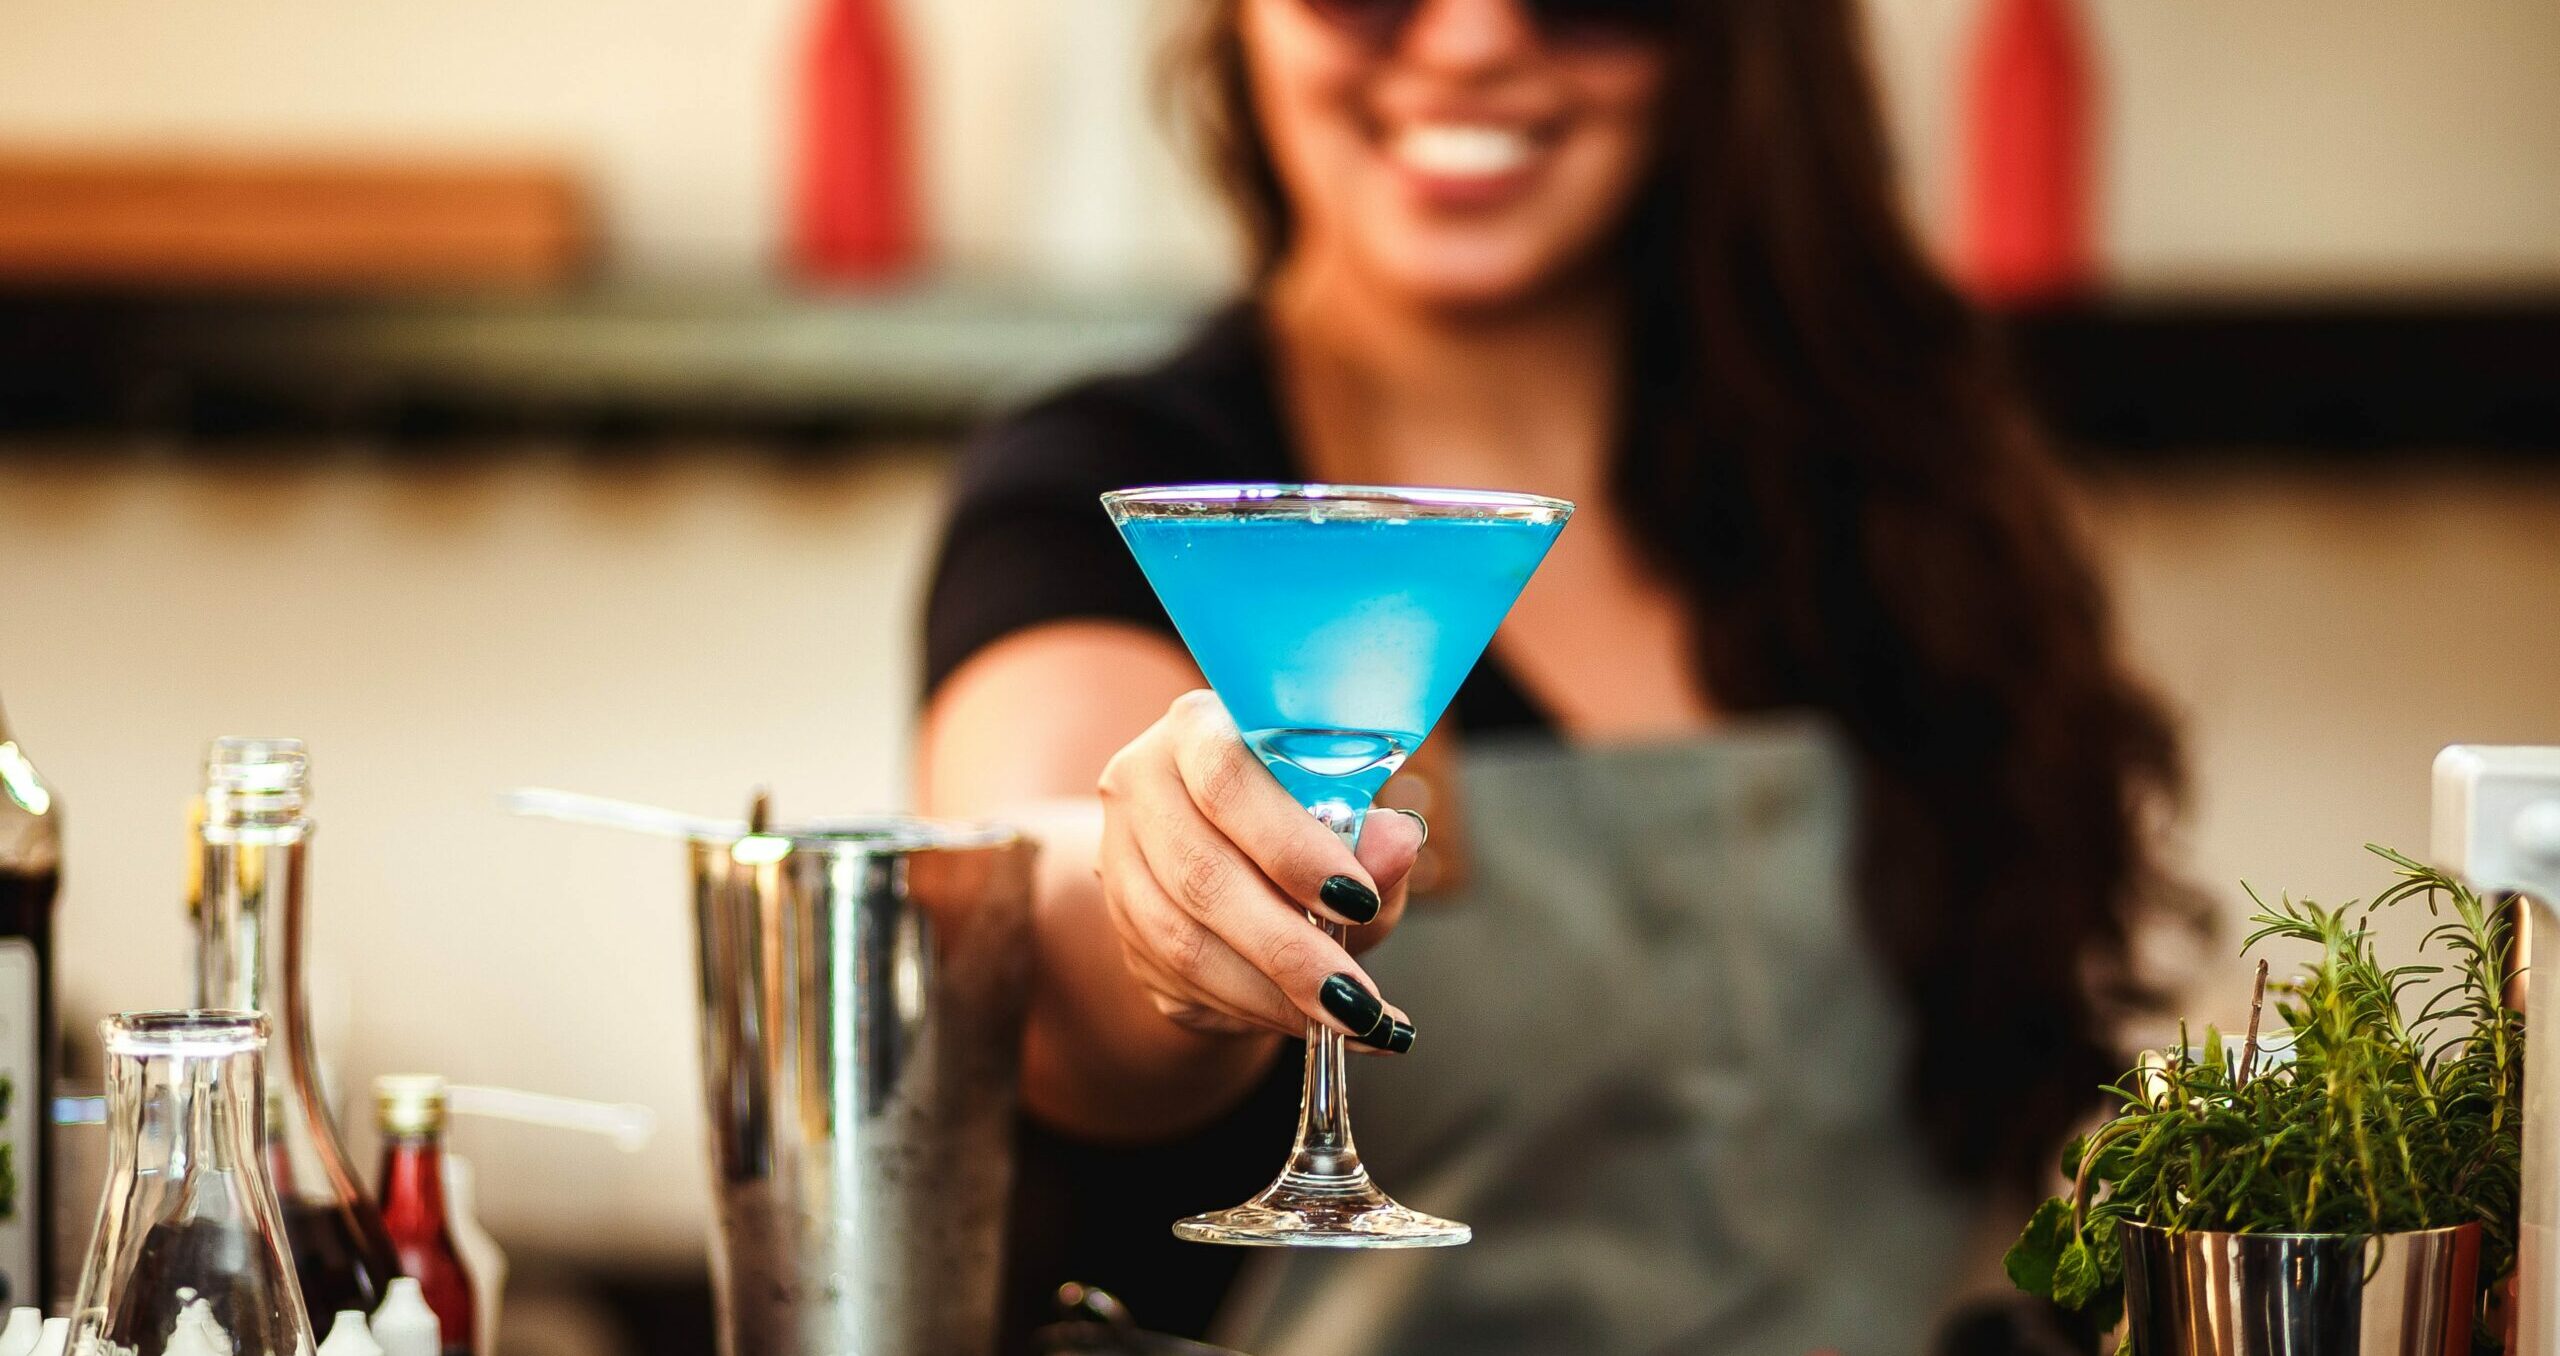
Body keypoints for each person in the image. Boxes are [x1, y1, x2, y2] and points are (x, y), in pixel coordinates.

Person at [918, 1, 2185, 1352]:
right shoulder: (1101, 489)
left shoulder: (1903, 503)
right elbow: (1034, 920)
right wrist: (1164, 887)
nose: (1468, 41)